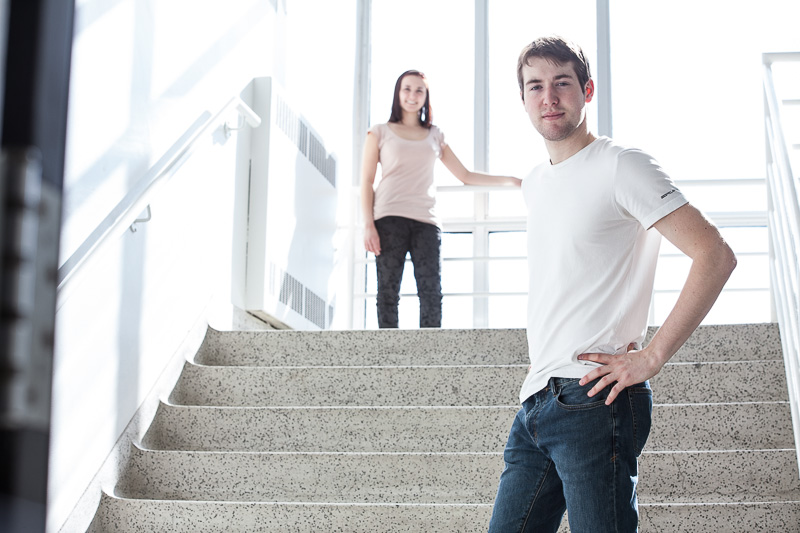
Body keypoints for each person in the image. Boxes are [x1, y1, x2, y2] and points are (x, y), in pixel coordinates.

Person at [487, 36, 737, 533]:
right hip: (537, 399)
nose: (549, 98)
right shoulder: (536, 182)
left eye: (562, 83)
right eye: (535, 86)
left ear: (587, 90)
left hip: (594, 397)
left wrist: (651, 357)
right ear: (523, 99)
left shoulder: (622, 165)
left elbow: (715, 255)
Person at [361, 69, 520, 328]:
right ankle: (389, 358)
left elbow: (465, 175)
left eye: (419, 90)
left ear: (426, 96)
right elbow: (367, 181)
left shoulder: (435, 135)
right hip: (388, 217)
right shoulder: (379, 132)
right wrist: (368, 224)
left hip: (426, 220)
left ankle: (430, 358)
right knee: (388, 292)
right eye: (407, 89)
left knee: (431, 293)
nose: (412, 95)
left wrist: (511, 180)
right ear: (398, 94)